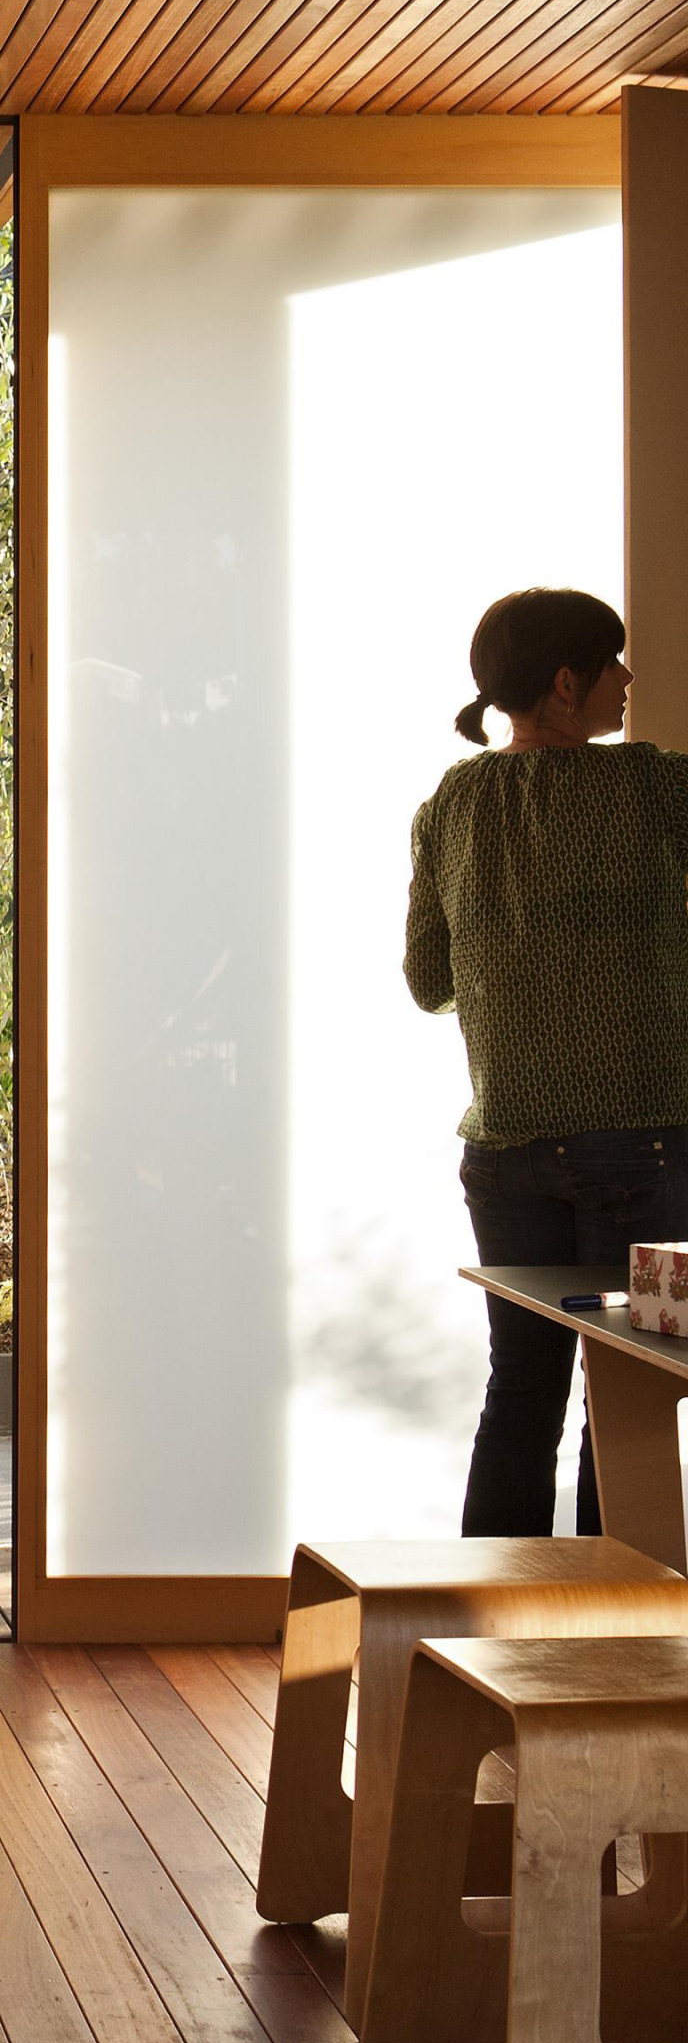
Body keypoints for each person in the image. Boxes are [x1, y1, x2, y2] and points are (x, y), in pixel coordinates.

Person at [406, 586, 688, 1534]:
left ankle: (496, 1638)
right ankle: (617, 1645)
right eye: (614, 661)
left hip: (506, 1157)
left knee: (521, 1394)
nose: (628, 677)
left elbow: (428, 980)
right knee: (631, 1398)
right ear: (566, 685)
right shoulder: (655, 787)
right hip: (645, 1156)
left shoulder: (450, 803)